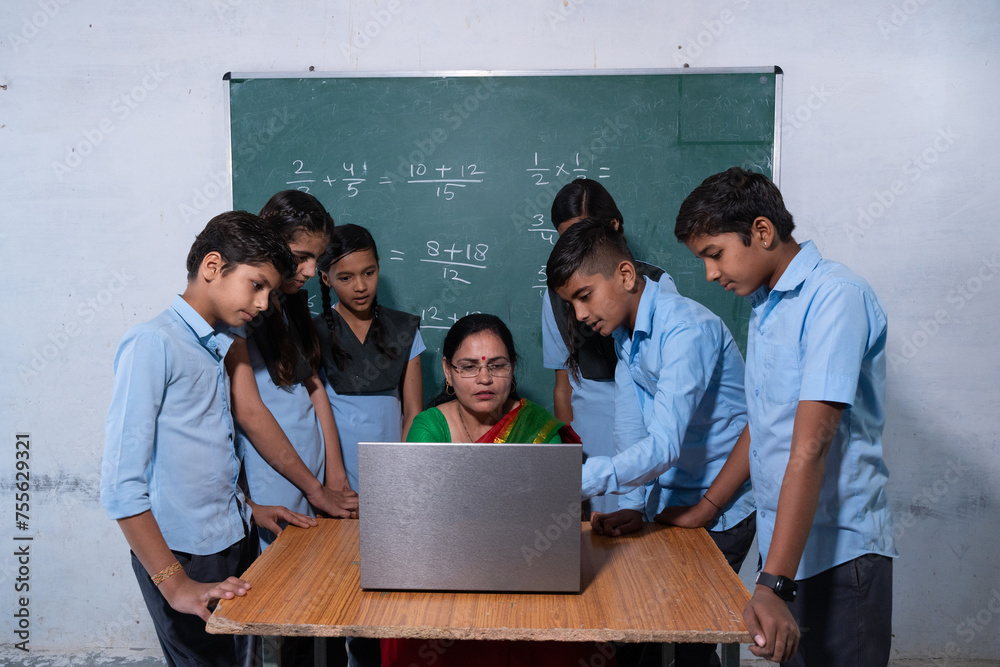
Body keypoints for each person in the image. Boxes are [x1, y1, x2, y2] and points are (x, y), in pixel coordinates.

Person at [675, 167, 897, 666]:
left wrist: (773, 582)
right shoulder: (767, 306)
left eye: (714, 254)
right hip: (788, 553)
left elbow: (810, 445)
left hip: (840, 555)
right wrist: (709, 509)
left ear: (761, 231)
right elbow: (766, 421)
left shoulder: (835, 296)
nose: (710, 273)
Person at [100, 211, 317, 667]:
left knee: (242, 659)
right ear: (213, 267)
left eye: (270, 292)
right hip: (183, 554)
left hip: (231, 540)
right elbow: (121, 486)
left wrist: (248, 510)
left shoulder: (218, 342)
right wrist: (175, 583)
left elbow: (202, 454)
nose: (262, 304)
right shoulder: (153, 344)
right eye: (256, 285)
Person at [547, 219, 757, 666]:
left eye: (584, 297)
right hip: (673, 502)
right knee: (648, 622)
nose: (580, 315)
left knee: (691, 638)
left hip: (723, 504)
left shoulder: (686, 330)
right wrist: (637, 508)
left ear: (625, 276)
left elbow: (663, 446)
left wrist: (571, 483)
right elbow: (635, 433)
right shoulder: (626, 336)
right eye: (572, 304)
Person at [383, 314, 615, 667]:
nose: (484, 379)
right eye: (468, 367)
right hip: (444, 578)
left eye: (497, 365)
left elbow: (553, 525)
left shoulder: (539, 427)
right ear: (447, 371)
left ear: (513, 367)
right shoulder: (429, 427)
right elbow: (420, 524)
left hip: (528, 577)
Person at [227, 191, 356, 666]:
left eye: (315, 259)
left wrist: (333, 476)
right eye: (301, 257)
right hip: (275, 476)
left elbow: (313, 388)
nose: (308, 270)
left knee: (313, 598)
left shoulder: (288, 305)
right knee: (273, 606)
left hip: (312, 473)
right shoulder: (246, 310)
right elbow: (250, 413)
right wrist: (313, 488)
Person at [541, 179, 669, 516]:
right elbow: (562, 384)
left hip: (649, 431)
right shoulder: (557, 296)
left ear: (613, 227)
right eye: (565, 237)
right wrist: (571, 454)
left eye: (582, 231)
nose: (581, 312)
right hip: (590, 434)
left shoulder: (657, 286)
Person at [315, 223, 425, 492]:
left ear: (378, 265)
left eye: (369, 272)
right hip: (335, 474)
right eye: (345, 278)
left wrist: (402, 468)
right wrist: (334, 476)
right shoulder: (313, 333)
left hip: (393, 468)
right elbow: (316, 414)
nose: (361, 286)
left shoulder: (403, 329)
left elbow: (413, 411)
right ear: (326, 278)